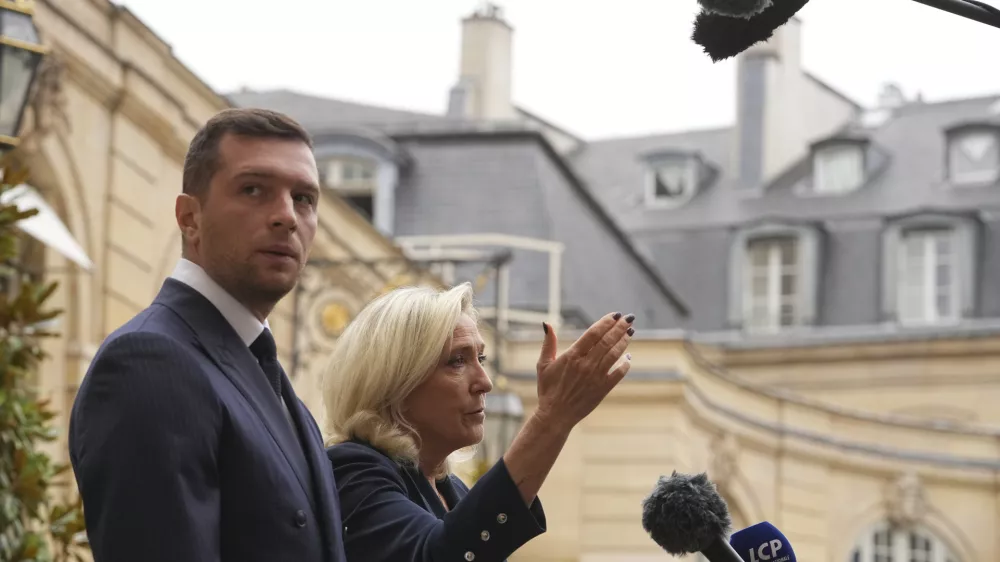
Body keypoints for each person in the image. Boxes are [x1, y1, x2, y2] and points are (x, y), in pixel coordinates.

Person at [68, 108, 346, 562]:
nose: (286, 217)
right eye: (253, 189)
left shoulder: (276, 387)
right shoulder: (150, 362)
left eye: (304, 198)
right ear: (189, 217)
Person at [323, 282, 635, 562]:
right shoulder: (351, 469)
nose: (484, 382)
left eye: (480, 359)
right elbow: (438, 555)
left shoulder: (452, 488)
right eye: (457, 361)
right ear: (394, 384)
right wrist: (552, 419)